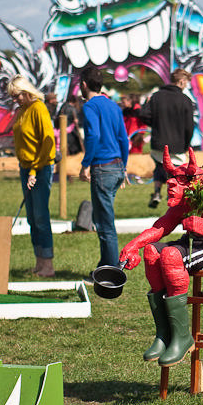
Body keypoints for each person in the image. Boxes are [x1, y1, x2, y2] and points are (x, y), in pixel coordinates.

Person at [119, 145, 203, 367]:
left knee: (170, 255)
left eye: (178, 180)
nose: (170, 183)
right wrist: (132, 246)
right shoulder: (182, 204)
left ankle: (183, 337)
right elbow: (160, 228)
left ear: (194, 184)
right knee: (151, 251)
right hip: (200, 244)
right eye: (170, 178)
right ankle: (164, 334)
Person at [78, 67, 129, 271]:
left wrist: (85, 164)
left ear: (84, 85)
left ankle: (111, 271)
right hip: (116, 167)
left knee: (105, 224)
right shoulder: (113, 106)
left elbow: (94, 136)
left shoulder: (90, 106)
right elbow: (123, 139)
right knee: (102, 218)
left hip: (102, 167)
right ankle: (103, 266)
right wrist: (123, 168)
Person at [7, 75, 56, 277]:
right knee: (31, 218)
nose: (15, 100)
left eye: (17, 95)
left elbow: (47, 142)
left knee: (40, 216)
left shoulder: (38, 108)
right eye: (12, 97)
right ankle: (39, 262)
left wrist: (35, 170)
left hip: (41, 168)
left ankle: (48, 265)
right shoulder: (22, 111)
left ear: (26, 92)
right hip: (25, 168)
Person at [139, 68, 194, 208]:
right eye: (186, 82)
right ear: (181, 82)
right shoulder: (185, 100)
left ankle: (157, 192)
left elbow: (143, 115)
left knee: (160, 166)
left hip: (159, 143)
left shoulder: (156, 96)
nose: (186, 85)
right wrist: (186, 145)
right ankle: (175, 198)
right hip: (178, 145)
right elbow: (189, 127)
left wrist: (156, 124)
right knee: (177, 172)